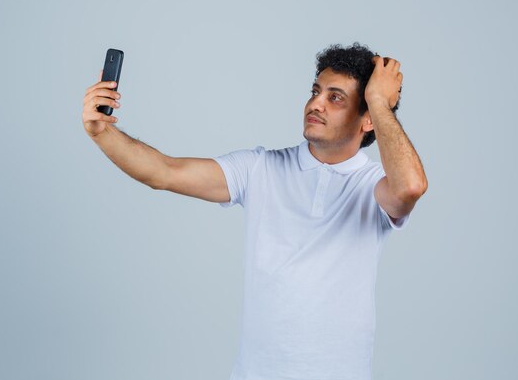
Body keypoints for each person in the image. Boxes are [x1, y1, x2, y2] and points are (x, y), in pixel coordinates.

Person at [82, 42, 428, 380]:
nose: (315, 103)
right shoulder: (260, 168)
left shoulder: (373, 185)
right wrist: (102, 133)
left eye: (335, 97)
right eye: (315, 90)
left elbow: (410, 187)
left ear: (367, 119)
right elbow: (164, 172)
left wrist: (379, 103)